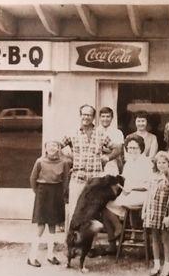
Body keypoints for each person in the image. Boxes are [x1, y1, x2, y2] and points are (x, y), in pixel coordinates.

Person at [61, 104, 112, 233]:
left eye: (89, 115)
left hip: (95, 180)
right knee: (74, 210)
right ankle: (71, 242)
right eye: (84, 114)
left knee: (92, 212)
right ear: (80, 115)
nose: (86, 117)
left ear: (93, 117)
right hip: (78, 177)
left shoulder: (100, 133)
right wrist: (68, 158)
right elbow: (58, 146)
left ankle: (89, 246)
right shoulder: (72, 132)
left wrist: (107, 158)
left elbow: (116, 148)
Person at [104, 134, 153, 254]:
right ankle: (116, 235)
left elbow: (149, 185)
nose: (132, 150)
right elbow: (124, 180)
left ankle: (120, 230)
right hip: (129, 194)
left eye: (135, 148)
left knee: (110, 206)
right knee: (104, 205)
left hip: (142, 195)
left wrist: (132, 189)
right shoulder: (128, 163)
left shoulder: (147, 163)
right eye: (129, 148)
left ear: (141, 148)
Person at [27, 141, 70, 267]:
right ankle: (32, 256)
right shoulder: (40, 161)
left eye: (55, 146)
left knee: (53, 225)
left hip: (56, 193)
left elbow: (66, 181)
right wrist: (38, 193)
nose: (52, 148)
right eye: (49, 146)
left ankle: (50, 255)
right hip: (43, 193)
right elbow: (32, 179)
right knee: (41, 225)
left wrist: (63, 195)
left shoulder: (64, 163)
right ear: (45, 148)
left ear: (59, 149)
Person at [141, 151, 169, 276]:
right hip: (152, 210)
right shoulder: (153, 176)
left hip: (163, 211)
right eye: (159, 162)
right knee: (154, 238)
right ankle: (156, 265)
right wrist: (144, 210)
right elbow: (148, 194)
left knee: (165, 238)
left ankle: (167, 265)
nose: (161, 165)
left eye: (164, 162)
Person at [97, 107, 124, 176]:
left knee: (110, 178)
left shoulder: (117, 132)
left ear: (112, 118)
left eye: (108, 116)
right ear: (99, 117)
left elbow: (118, 150)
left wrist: (107, 157)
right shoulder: (95, 131)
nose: (105, 119)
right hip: (96, 160)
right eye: (103, 116)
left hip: (111, 160)